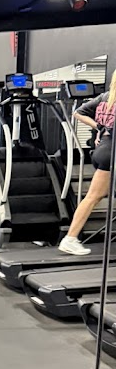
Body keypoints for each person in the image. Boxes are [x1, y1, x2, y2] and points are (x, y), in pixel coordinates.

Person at [58, 72, 116, 255]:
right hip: (111, 152)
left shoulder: (106, 97)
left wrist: (99, 128)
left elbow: (77, 113)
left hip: (103, 149)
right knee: (92, 197)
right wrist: (101, 129)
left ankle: (70, 238)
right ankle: (70, 238)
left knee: (94, 197)